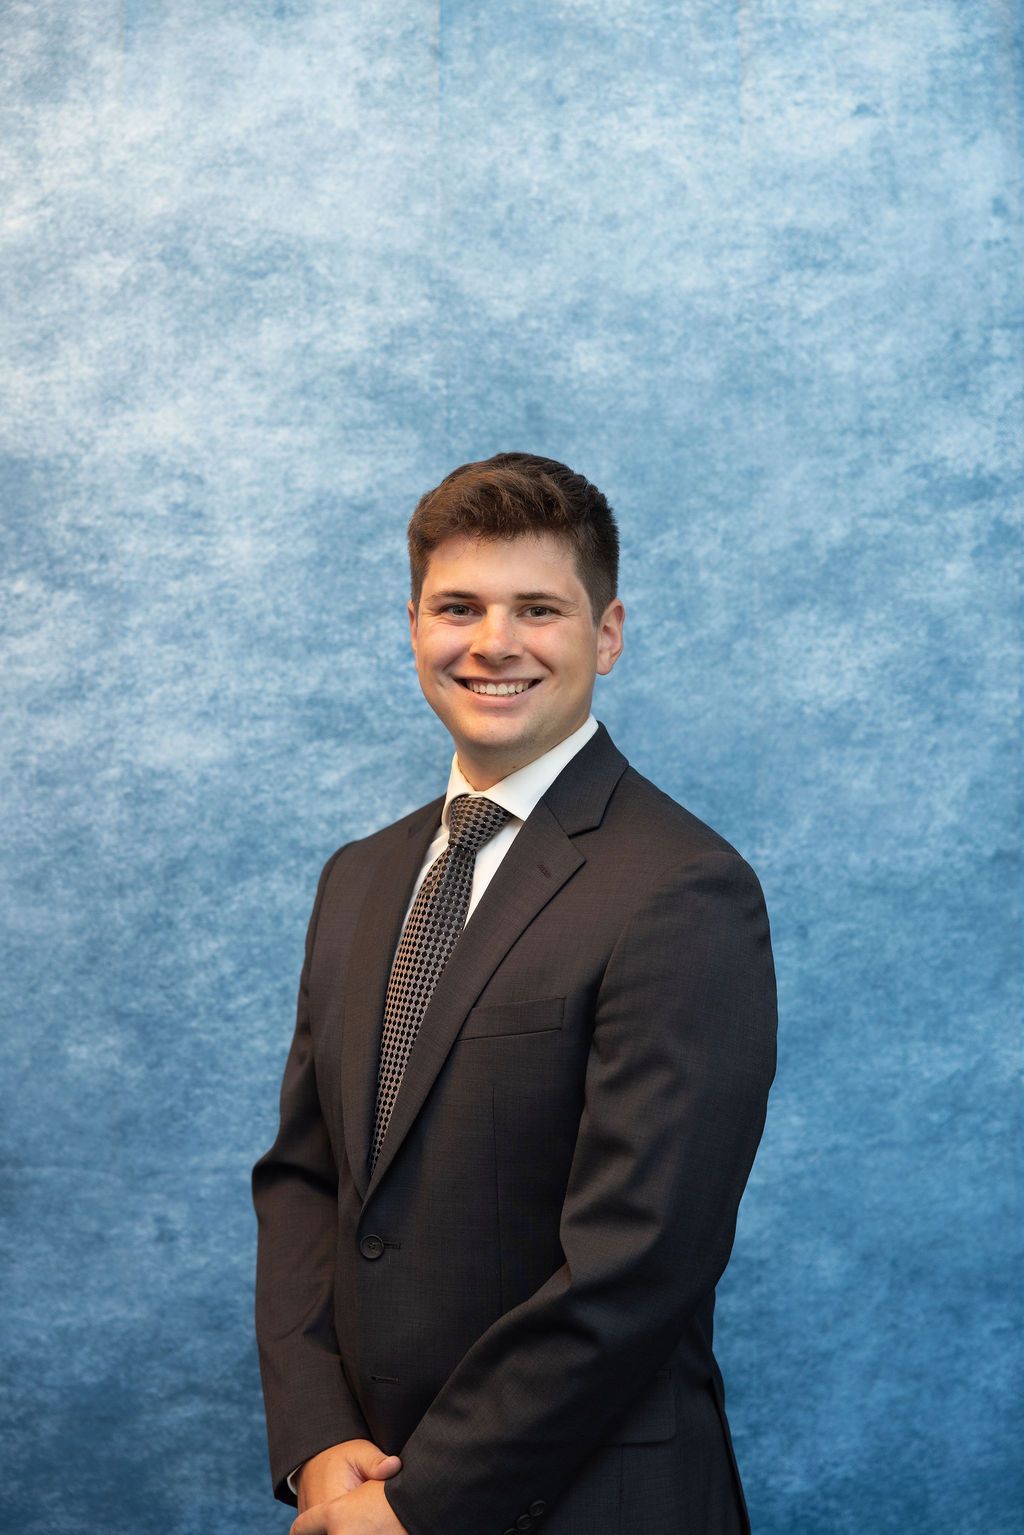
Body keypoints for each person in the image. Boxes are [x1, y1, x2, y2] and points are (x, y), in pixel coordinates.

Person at [251, 452, 778, 1535]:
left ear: (607, 632)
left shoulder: (682, 886)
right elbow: (307, 1178)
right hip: (357, 1486)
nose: (494, 643)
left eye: (539, 607)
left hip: (588, 1503)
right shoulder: (358, 877)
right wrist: (315, 1438)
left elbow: (639, 1258)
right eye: (459, 607)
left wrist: (420, 1501)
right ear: (412, 626)